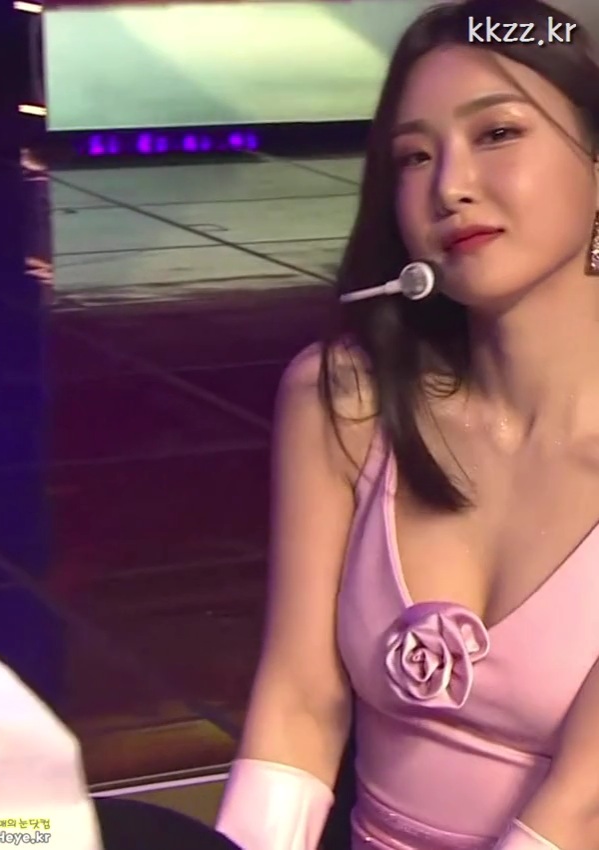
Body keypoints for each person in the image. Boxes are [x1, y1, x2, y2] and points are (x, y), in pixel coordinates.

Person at [215, 0, 599, 848]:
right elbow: (297, 709)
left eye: (496, 133)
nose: (448, 186)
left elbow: (581, 808)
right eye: (414, 156)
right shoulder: (342, 401)